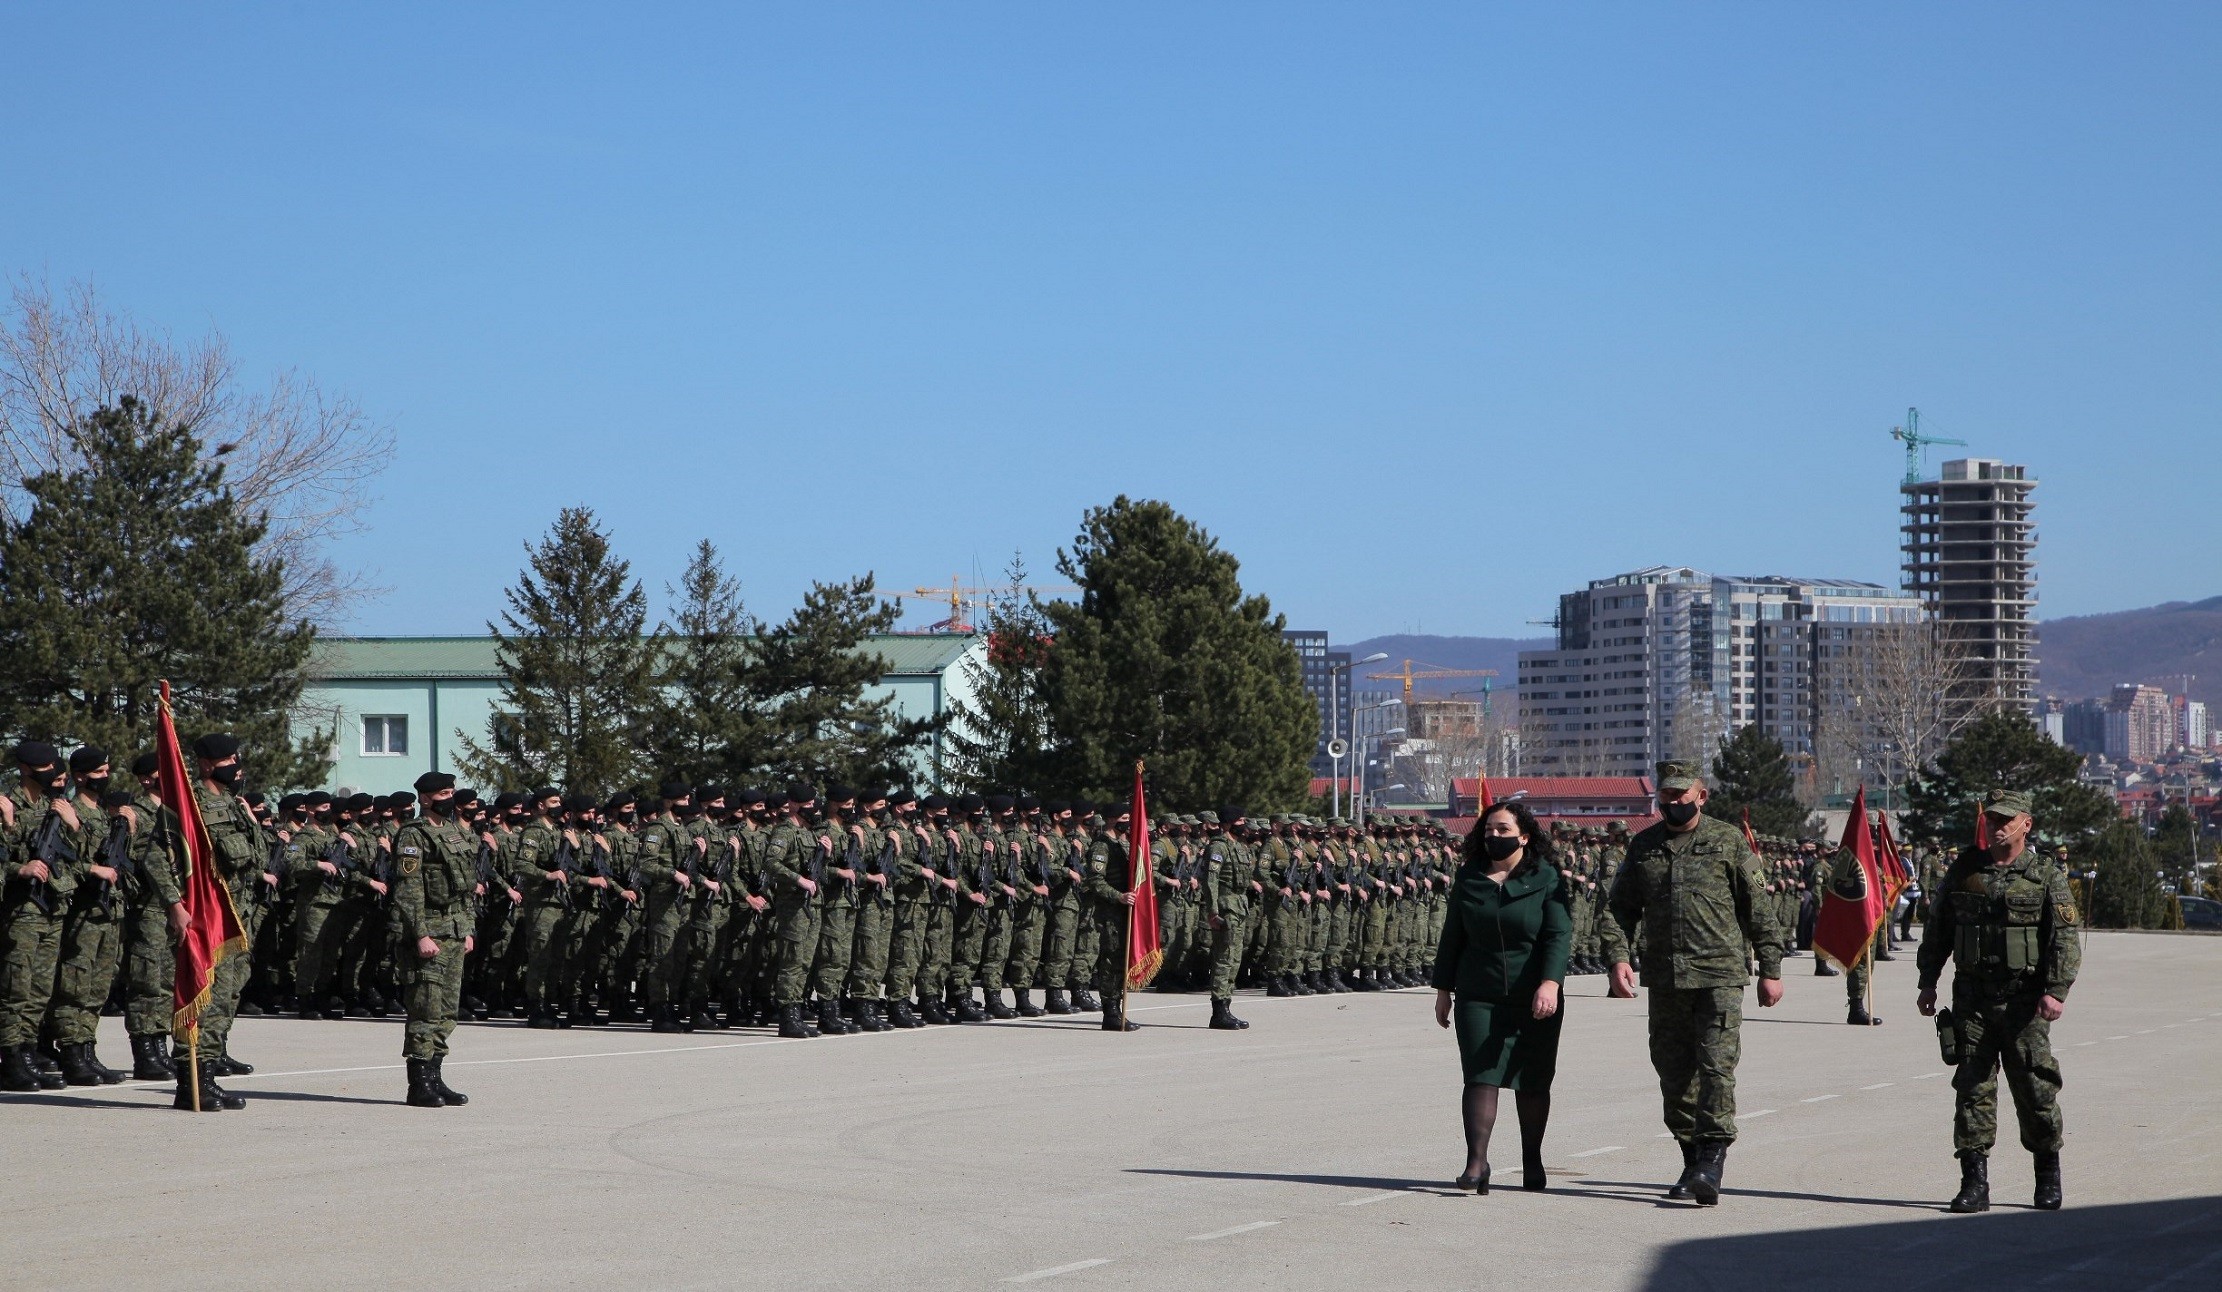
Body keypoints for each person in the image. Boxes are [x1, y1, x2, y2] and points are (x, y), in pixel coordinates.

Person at [1599, 760, 1785, 1206]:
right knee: (1673, 1072)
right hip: (1665, 979)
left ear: (1701, 796)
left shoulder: (1727, 840)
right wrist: (1618, 959)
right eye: (1666, 795)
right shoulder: (1644, 847)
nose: (1673, 802)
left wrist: (1771, 967)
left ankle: (1712, 1160)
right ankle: (1691, 1157)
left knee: (1716, 1068)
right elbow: (1617, 910)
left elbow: (1755, 906)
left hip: (1719, 975)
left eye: (1682, 795)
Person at [1916, 790, 2079, 1214]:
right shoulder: (1966, 869)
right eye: (1991, 818)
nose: (1996, 825)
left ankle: (2047, 1176)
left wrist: (2056, 990)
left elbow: (2063, 938)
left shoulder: (2044, 872)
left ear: (2027, 823)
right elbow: (1939, 928)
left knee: (2036, 1089)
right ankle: (1974, 1182)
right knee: (1972, 1090)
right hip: (1971, 1000)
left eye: (2006, 819)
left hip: (2024, 1003)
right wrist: (1927, 980)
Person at [1432, 801, 1570, 1194]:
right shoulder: (1470, 877)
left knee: (1532, 1080)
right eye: (1489, 830)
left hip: (1534, 994)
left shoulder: (1547, 878)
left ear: (1524, 836)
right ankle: (1476, 1164)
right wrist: (1444, 990)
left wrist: (1551, 983)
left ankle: (1532, 1158)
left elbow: (1558, 935)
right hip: (1479, 992)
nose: (1494, 836)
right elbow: (1453, 936)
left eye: (1503, 829)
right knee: (1480, 1074)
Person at [391, 772, 477, 1107]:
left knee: (446, 1011)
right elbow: (408, 889)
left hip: (454, 931)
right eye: (443, 793)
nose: (449, 798)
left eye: (452, 792)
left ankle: (436, 1076)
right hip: (429, 933)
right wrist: (421, 934)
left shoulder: (454, 832)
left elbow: (466, 888)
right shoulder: (413, 835)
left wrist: (467, 929)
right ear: (426, 798)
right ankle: (419, 1083)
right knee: (425, 1008)